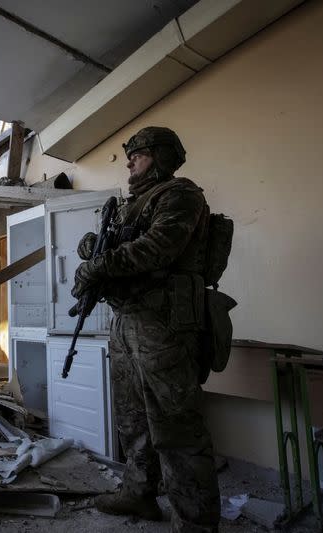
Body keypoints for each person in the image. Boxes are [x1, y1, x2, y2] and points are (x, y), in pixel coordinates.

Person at [71, 127, 220, 532]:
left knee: (175, 425)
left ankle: (195, 521)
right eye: (130, 154)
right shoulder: (131, 205)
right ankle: (139, 494)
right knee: (133, 419)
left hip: (164, 324)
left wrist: (98, 265)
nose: (131, 161)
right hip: (128, 319)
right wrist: (94, 247)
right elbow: (121, 247)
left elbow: (159, 248)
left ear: (161, 156)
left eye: (138, 154)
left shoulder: (180, 194)